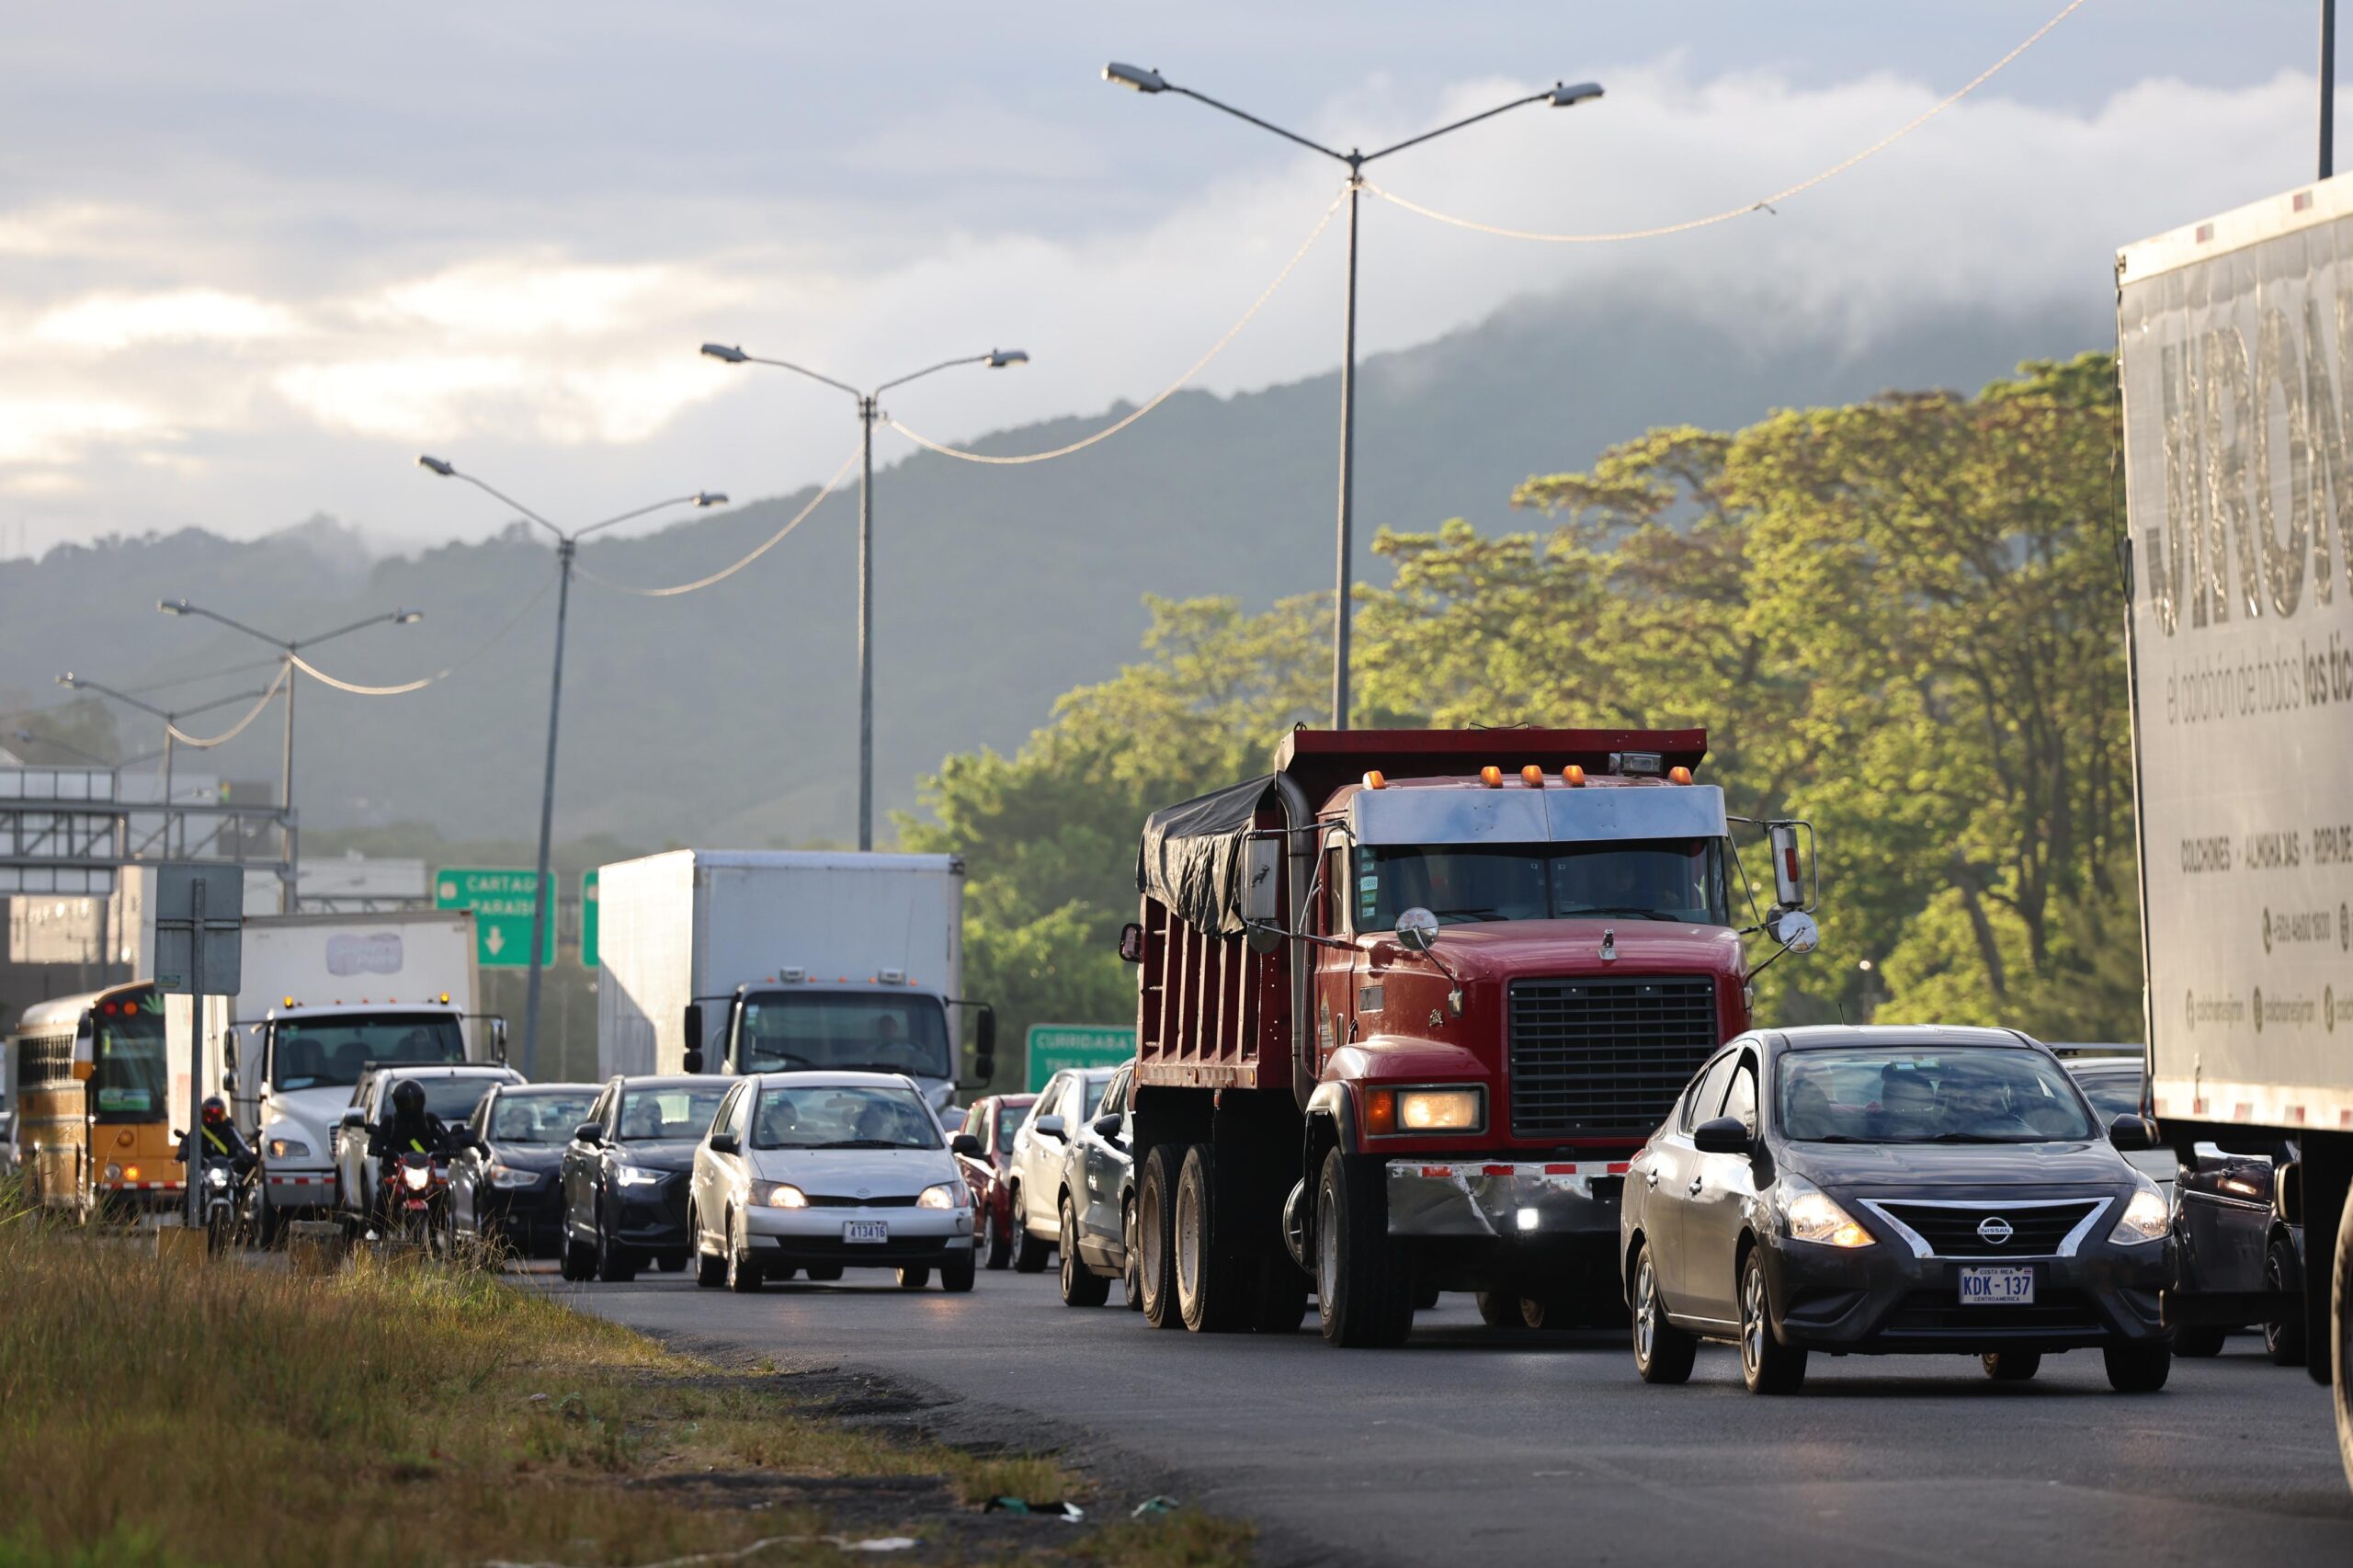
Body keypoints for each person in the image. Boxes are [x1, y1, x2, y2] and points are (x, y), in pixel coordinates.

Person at [369, 1078, 458, 1161]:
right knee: (383, 1177)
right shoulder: (390, 1121)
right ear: (397, 1102)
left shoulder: (430, 1119)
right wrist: (375, 1147)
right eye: (406, 1103)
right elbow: (378, 1138)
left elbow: (446, 1137)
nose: (410, 1106)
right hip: (394, 1168)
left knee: (443, 1176)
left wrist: (453, 1147)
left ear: (422, 1100)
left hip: (426, 1166)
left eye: (415, 1101)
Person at [179, 1095, 256, 1174]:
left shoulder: (230, 1129)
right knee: (192, 1178)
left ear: (223, 1115)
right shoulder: (198, 1130)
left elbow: (243, 1145)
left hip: (228, 1171)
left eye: (217, 1115)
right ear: (204, 1116)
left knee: (248, 1175)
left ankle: (244, 1185)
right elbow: (187, 1142)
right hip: (204, 1173)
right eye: (210, 1115)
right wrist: (183, 1152)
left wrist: (249, 1156)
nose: (214, 1119)